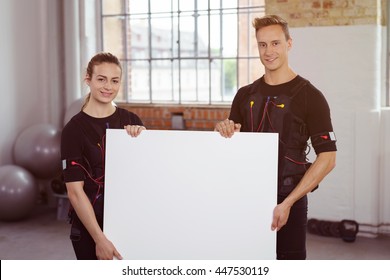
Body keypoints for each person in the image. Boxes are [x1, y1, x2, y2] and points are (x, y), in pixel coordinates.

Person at [215, 15, 337, 260]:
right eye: (262, 44)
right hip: (246, 198)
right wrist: (224, 130)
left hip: (288, 201)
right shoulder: (244, 95)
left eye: (275, 43)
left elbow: (328, 157)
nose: (268, 51)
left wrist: (288, 203)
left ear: (289, 44)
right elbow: (232, 148)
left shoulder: (310, 96)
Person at [61, 52, 146, 260]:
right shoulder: (73, 130)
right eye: (101, 79)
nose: (108, 86)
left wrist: (142, 139)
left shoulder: (131, 120)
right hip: (90, 230)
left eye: (114, 81)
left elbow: (147, 174)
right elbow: (74, 192)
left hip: (129, 223)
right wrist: (100, 239)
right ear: (88, 79)